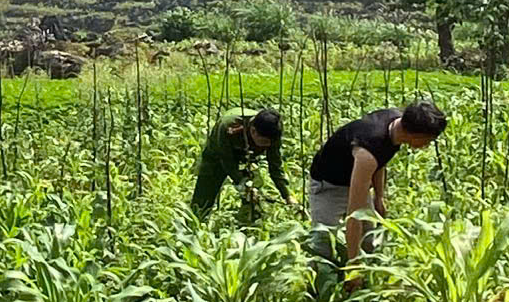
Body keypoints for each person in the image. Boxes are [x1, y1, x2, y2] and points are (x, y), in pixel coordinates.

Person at [306, 99, 447, 272]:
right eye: (428, 140)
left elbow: (381, 159)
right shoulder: (368, 152)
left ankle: (365, 276)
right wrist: (353, 268)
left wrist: (379, 196)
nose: (426, 146)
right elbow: (354, 216)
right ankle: (318, 290)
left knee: (369, 238)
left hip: (357, 177)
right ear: (414, 134)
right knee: (322, 245)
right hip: (328, 185)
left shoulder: (396, 123)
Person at [190, 107, 291, 220]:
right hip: (218, 155)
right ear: (253, 131)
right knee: (203, 199)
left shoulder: (271, 133)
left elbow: (275, 165)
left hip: (248, 156)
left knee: (253, 198)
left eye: (269, 144)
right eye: (263, 142)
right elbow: (227, 161)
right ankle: (194, 224)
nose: (266, 147)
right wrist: (243, 183)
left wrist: (287, 195)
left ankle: (247, 223)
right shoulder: (229, 125)